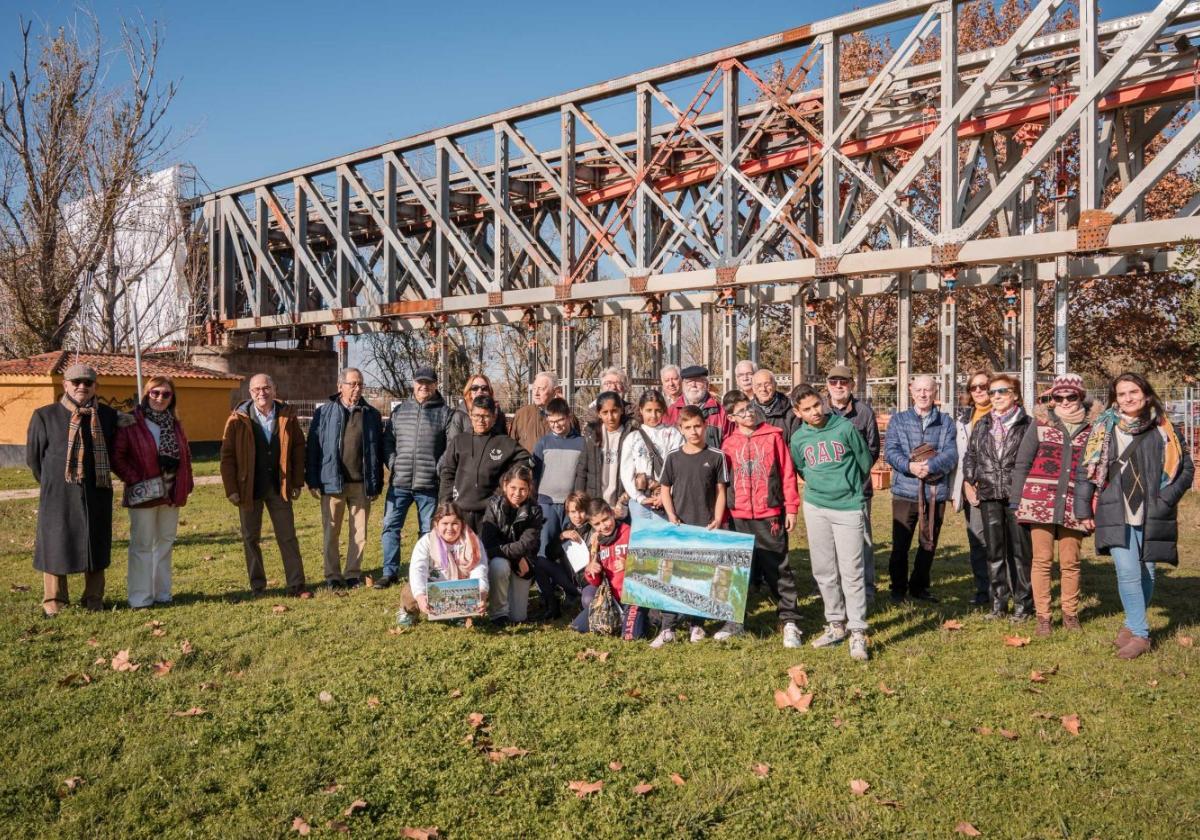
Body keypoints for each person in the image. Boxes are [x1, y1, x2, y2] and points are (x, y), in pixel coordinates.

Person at [1075, 372, 1194, 659]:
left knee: (1147, 570)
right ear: (1115, 398)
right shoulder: (1103, 428)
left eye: (1133, 392)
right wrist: (1081, 508)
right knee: (1127, 571)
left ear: (1146, 393)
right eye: (1122, 393)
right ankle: (1141, 634)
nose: (1128, 398)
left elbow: (1186, 469)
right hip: (1116, 508)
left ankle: (1130, 624)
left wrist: (1167, 498)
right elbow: (1085, 470)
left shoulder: (1165, 428)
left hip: (1152, 510)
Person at [27, 363, 118, 617]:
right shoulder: (45, 416)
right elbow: (34, 460)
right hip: (58, 493)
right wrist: (52, 482)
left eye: (87, 383)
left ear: (95, 387)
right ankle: (54, 599)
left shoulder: (108, 416)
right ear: (65, 385)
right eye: (76, 382)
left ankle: (93, 598)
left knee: (96, 542)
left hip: (96, 490)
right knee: (56, 543)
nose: (82, 387)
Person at [790, 384, 874, 660]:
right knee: (824, 569)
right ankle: (836, 624)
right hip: (816, 507)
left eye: (817, 405)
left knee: (852, 569)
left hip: (848, 506)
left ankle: (858, 630)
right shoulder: (799, 438)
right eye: (807, 409)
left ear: (822, 402)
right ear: (797, 412)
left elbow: (864, 461)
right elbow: (802, 468)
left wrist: (848, 487)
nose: (815, 412)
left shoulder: (844, 428)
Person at [1009, 373, 1094, 637]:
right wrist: (1016, 500)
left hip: (1074, 502)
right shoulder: (1041, 424)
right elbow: (1023, 462)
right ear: (1052, 399)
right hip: (1039, 501)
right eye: (1059, 397)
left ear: (1081, 397)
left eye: (1071, 396)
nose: (1065, 401)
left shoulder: (1093, 428)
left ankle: (1070, 613)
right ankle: (1043, 616)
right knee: (1042, 561)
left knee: (1070, 562)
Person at [722, 392, 803, 647]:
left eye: (750, 408)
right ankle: (735, 620)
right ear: (731, 417)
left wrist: (791, 508)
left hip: (770, 514)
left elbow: (787, 473)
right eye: (742, 411)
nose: (749, 414)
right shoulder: (728, 444)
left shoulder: (773, 436)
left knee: (777, 566)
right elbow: (723, 484)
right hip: (738, 516)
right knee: (738, 569)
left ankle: (789, 619)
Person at [221, 373, 308, 597]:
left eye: (266, 388)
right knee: (251, 538)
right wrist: (231, 489)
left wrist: (297, 482)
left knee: (287, 536)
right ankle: (257, 586)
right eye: (257, 389)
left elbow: (299, 449)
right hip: (248, 488)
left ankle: (296, 585)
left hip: (279, 488)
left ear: (274, 389)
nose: (262, 392)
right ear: (250, 393)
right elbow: (227, 457)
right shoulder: (237, 419)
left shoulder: (287, 415)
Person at [113, 375, 195, 608]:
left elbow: (185, 455)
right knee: (142, 545)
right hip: (144, 492)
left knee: (165, 542)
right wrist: (135, 479)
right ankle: (140, 597)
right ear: (146, 394)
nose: (160, 398)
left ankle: (162, 593)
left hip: (171, 492)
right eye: (155, 393)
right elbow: (117, 457)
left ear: (172, 397)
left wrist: (186, 484)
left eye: (166, 394)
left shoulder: (175, 423)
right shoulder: (132, 422)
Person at [653, 404, 729, 647]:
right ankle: (668, 627)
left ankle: (697, 624)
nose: (694, 431)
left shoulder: (716, 456)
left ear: (705, 426)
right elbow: (665, 490)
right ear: (681, 429)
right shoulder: (673, 457)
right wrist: (671, 516)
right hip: (679, 526)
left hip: (705, 526)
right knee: (673, 576)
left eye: (698, 426)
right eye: (688, 427)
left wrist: (717, 518)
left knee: (700, 576)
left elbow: (721, 491)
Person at [305, 367, 384, 591]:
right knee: (331, 532)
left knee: (360, 533)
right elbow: (313, 448)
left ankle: (352, 574)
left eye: (360, 384)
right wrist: (312, 480)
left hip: (361, 485)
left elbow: (376, 452)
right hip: (332, 482)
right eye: (352, 384)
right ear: (340, 387)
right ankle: (332, 575)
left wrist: (376, 483)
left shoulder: (372, 415)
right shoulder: (324, 413)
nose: (357, 388)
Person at [963, 373, 1033, 621]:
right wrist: (969, 479)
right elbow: (971, 455)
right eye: (993, 392)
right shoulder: (983, 425)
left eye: (1002, 391)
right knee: (994, 551)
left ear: (1014, 394)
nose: (996, 396)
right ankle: (998, 603)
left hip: (1018, 495)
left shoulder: (1028, 424)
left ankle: (1023, 604)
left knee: (1020, 551)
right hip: (990, 493)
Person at [377, 366, 455, 589]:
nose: (423, 386)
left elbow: (450, 448)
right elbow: (388, 442)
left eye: (428, 383)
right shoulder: (400, 411)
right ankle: (389, 572)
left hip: (428, 485)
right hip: (399, 483)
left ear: (435, 385)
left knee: (427, 531)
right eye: (420, 382)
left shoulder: (444, 413)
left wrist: (436, 469)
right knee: (391, 527)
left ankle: (424, 570)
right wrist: (393, 464)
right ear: (413, 384)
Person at [884, 375, 957, 604]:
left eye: (928, 390)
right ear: (911, 391)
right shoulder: (898, 420)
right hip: (905, 492)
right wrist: (910, 467)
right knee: (901, 544)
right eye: (919, 390)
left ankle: (919, 586)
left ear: (936, 392)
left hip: (934, 492)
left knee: (928, 543)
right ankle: (897, 588)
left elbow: (951, 453)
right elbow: (891, 450)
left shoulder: (946, 422)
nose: (923, 394)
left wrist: (931, 466)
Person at [824, 364, 881, 603]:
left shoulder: (864, 413)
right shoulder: (820, 411)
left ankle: (866, 587)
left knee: (863, 540)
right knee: (829, 543)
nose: (839, 386)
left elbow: (873, 450)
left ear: (851, 385)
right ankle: (831, 588)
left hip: (857, 491)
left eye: (843, 382)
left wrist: (852, 476)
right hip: (826, 492)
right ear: (827, 385)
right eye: (834, 382)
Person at [438, 394, 529, 532]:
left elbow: (527, 460)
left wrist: (506, 483)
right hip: (460, 511)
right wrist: (446, 504)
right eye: (476, 415)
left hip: (489, 513)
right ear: (470, 415)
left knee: (486, 552)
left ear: (494, 417)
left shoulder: (504, 442)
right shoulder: (459, 441)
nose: (480, 420)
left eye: (485, 416)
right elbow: (447, 473)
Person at [530, 397, 585, 617]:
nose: (557, 425)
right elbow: (534, 475)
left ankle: (573, 593)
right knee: (544, 550)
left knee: (570, 550)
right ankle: (548, 597)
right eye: (552, 422)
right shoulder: (543, 443)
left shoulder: (581, 443)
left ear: (569, 417)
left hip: (571, 505)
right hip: (546, 502)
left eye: (560, 420)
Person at [395, 502, 489, 626]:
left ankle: (458, 615)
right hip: (433, 588)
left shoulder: (473, 542)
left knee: (483, 588)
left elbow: (479, 569)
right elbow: (418, 571)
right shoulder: (426, 542)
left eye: (455, 523)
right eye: (445, 523)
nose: (450, 528)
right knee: (410, 589)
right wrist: (420, 597)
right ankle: (408, 613)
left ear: (462, 524)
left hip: (460, 588)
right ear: (436, 524)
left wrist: (481, 595)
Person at [951, 369, 996, 607]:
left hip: (997, 487)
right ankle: (983, 590)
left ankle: (1002, 589)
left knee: (999, 540)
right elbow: (961, 457)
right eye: (974, 387)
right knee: (977, 539)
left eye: (983, 386)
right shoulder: (964, 419)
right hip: (972, 487)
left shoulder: (1004, 415)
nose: (978, 391)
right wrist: (966, 484)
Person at [572, 498, 646, 639]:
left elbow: (650, 564)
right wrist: (591, 571)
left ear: (612, 513)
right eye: (597, 524)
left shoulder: (630, 533)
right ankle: (620, 620)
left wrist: (629, 564)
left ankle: (642, 619)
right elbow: (595, 583)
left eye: (605, 519)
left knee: (631, 637)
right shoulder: (597, 543)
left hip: (633, 597)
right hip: (611, 600)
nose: (603, 526)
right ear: (591, 525)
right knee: (577, 627)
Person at [480, 464, 544, 626]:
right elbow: (489, 545)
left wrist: (521, 557)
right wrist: (516, 558)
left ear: (529, 489)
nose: (517, 493)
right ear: (505, 485)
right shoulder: (493, 506)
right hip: (502, 559)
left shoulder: (535, 510)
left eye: (522, 489)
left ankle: (509, 600)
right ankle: (498, 613)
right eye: (513, 487)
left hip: (524, 561)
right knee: (499, 566)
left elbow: (526, 544)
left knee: (518, 617)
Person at [620, 389, 683, 521]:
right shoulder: (633, 438)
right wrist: (639, 497)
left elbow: (679, 469)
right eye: (649, 410)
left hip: (667, 499)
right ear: (641, 410)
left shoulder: (673, 434)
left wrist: (666, 495)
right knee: (642, 540)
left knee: (664, 540)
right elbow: (626, 471)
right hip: (640, 501)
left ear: (663, 411)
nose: (653, 415)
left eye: (658, 410)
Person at [575, 390, 633, 520]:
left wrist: (625, 499)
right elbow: (582, 470)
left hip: (622, 504)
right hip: (596, 505)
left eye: (614, 411)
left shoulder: (631, 435)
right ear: (599, 414)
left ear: (621, 410)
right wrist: (580, 503)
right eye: (605, 413)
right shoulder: (591, 436)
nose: (610, 417)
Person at [663, 365, 728, 447]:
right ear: (683, 384)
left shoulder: (720, 412)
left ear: (706, 384)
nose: (693, 385)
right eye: (689, 381)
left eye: (698, 381)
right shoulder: (671, 412)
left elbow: (729, 445)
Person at [447, 373, 509, 440]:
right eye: (475, 388)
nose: (480, 391)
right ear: (469, 392)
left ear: (489, 392)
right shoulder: (460, 415)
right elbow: (452, 444)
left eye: (484, 388)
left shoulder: (498, 415)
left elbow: (504, 441)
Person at [511, 371, 558, 453]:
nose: (536, 393)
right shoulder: (522, 414)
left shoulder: (566, 417)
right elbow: (511, 446)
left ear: (554, 392)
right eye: (534, 388)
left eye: (541, 389)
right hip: (527, 465)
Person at [752, 368, 797, 441]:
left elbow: (794, 444)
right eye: (759, 385)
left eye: (767, 384)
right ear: (753, 389)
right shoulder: (747, 411)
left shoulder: (790, 409)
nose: (763, 389)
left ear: (775, 385)